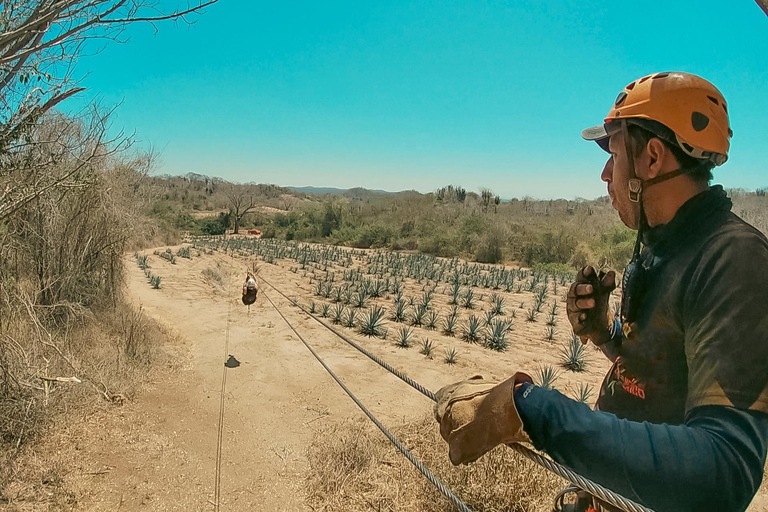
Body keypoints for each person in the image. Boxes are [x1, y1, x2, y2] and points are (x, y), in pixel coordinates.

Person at [434, 72, 768, 512]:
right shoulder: (662, 245)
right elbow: (661, 376)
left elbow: (722, 475)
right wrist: (607, 334)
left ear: (651, 158)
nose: (604, 173)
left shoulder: (734, 261)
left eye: (612, 153)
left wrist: (533, 410)